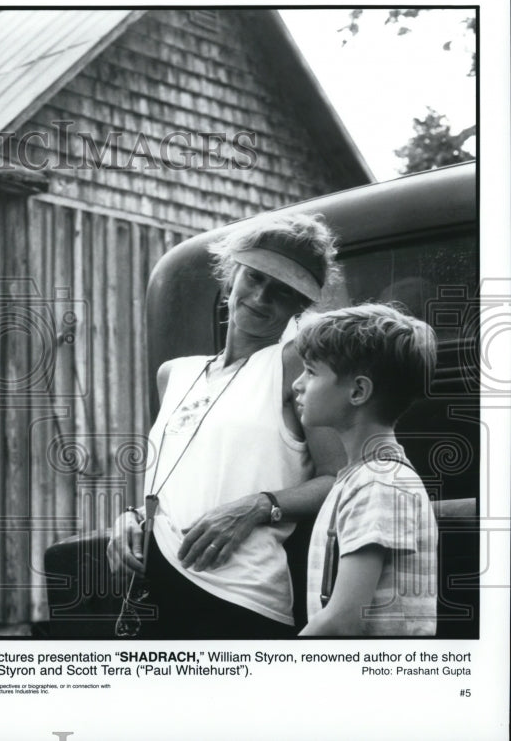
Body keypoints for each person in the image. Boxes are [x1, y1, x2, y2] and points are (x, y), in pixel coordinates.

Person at [107, 212, 346, 638]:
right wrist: (132, 516)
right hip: (155, 589)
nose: (261, 297)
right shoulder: (174, 374)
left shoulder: (293, 363)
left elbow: (340, 478)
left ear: (299, 306)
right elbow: (176, 475)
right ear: (230, 276)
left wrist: (257, 506)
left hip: (239, 599)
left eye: (282, 291)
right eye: (254, 277)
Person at [293, 304, 438, 636]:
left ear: (358, 391)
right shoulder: (362, 477)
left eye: (311, 372)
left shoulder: (379, 482)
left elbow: (343, 621)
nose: (297, 385)